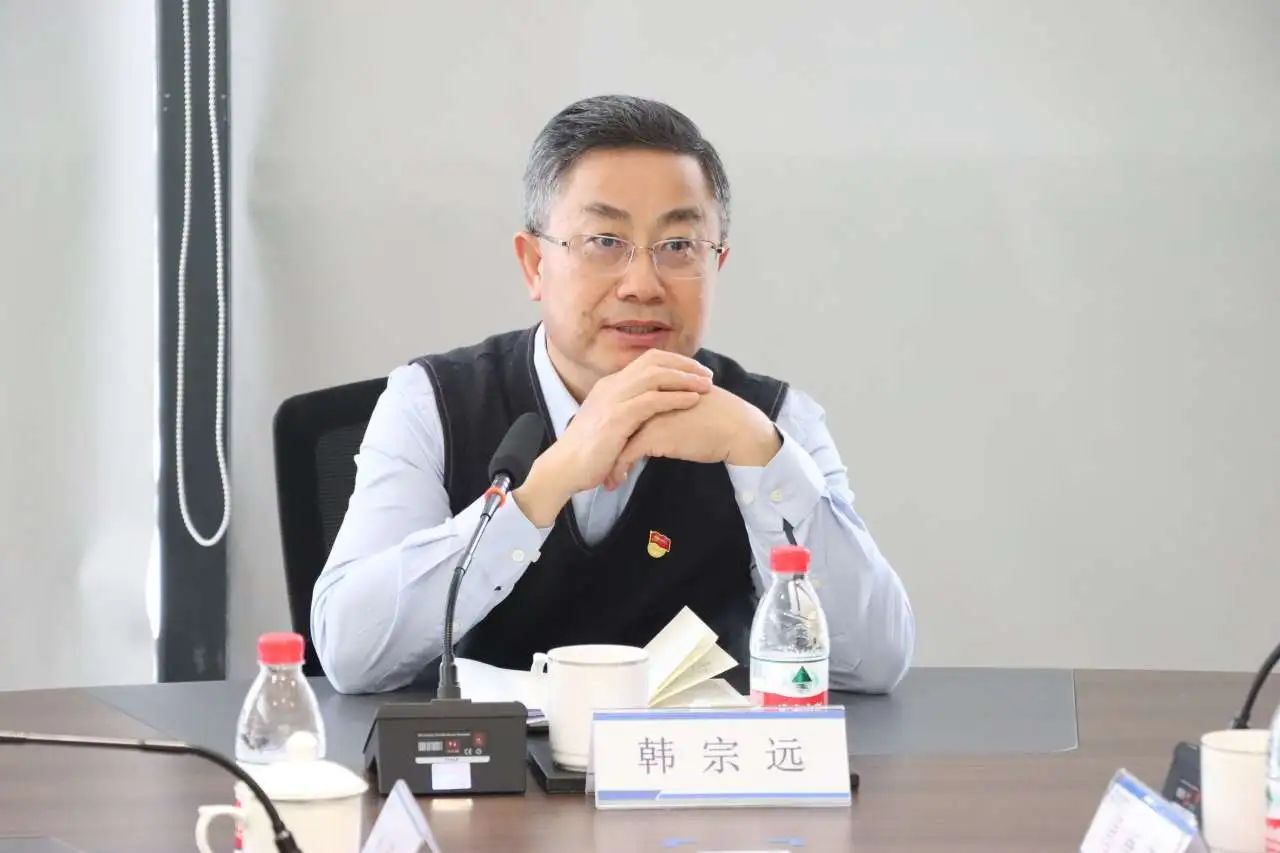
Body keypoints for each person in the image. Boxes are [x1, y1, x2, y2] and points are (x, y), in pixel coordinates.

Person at [312, 95, 915, 695]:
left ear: (717, 265)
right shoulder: (431, 402)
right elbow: (351, 655)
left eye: (679, 246)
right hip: (491, 755)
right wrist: (543, 490)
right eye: (604, 241)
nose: (642, 285)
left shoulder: (771, 420)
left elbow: (873, 663)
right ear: (534, 264)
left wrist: (762, 455)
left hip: (700, 756)